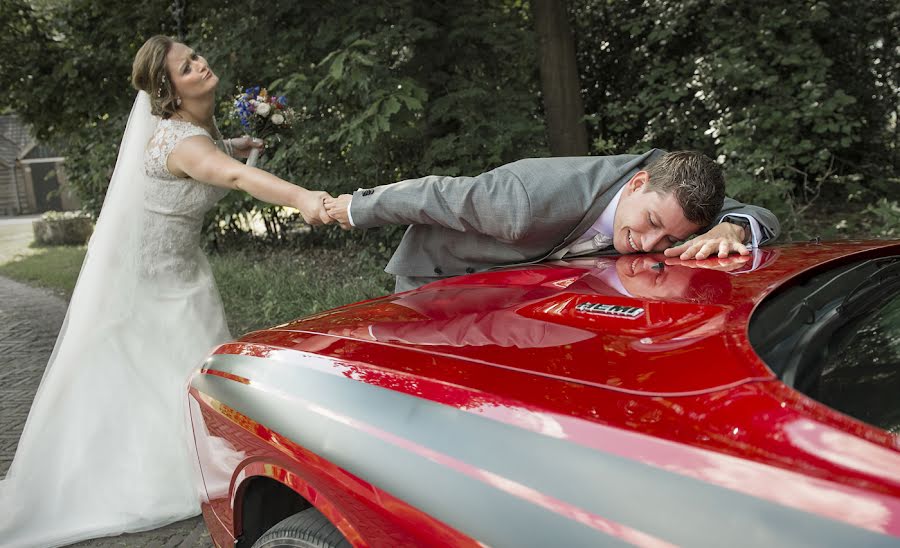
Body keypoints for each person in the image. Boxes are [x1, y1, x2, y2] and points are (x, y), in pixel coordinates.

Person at [0, 35, 333, 547]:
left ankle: (191, 461)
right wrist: (304, 199)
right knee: (179, 371)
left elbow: (213, 160)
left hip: (182, 268)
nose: (200, 64)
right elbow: (233, 177)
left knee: (180, 371)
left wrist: (234, 145)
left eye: (197, 56)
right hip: (153, 278)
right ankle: (169, 475)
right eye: (186, 65)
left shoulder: (193, 130)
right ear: (168, 88)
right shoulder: (180, 140)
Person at [324, 150, 780, 292]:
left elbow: (761, 215)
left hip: (520, 289)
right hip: (442, 270)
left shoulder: (677, 192)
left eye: (668, 240)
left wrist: (731, 227)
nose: (649, 244)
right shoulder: (523, 200)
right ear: (638, 184)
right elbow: (437, 194)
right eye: (650, 223)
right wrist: (349, 208)